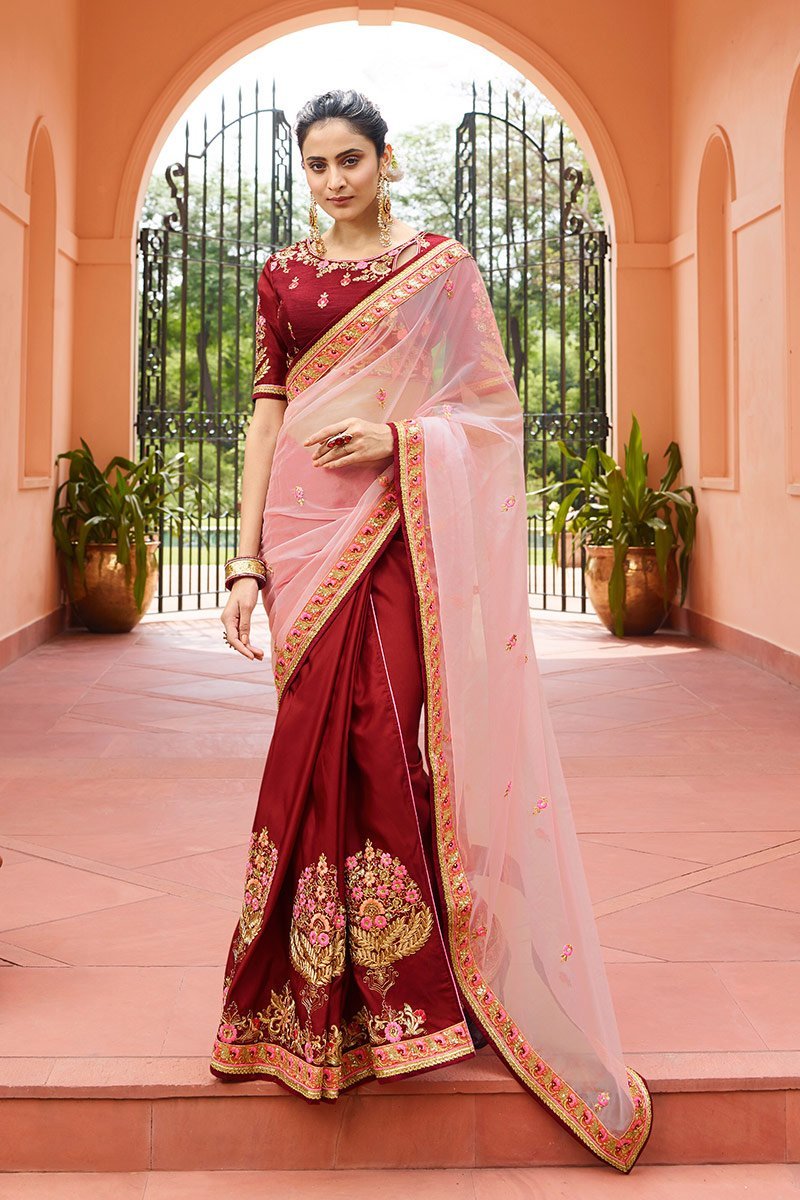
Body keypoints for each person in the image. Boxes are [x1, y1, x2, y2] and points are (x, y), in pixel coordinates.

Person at [210, 88, 653, 1173]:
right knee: (302, 748)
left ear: (385, 158)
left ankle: (406, 987)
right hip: (305, 540)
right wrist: (243, 560)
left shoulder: (440, 272)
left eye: (348, 160)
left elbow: (490, 413)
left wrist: (400, 435)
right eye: (313, 165)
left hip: (396, 539)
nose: (331, 183)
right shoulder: (282, 276)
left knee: (381, 738)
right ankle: (300, 995)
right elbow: (267, 414)